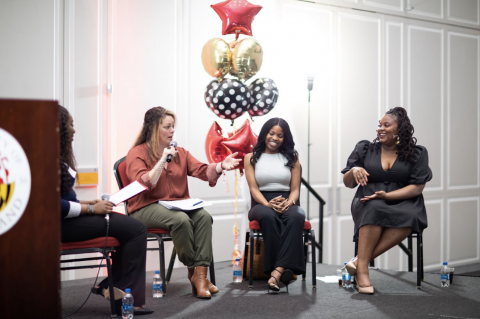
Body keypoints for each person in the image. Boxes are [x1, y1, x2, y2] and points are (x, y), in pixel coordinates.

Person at [125, 106, 241, 299]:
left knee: (203, 216)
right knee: (180, 220)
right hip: (145, 208)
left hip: (176, 205)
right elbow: (146, 183)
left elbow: (202, 170)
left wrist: (221, 166)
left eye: (173, 127)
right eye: (167, 127)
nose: (172, 131)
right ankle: (194, 271)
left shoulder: (181, 152)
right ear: (153, 129)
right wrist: (163, 159)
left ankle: (200, 277)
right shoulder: (137, 153)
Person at [59, 106, 152, 316]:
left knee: (129, 228)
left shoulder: (52, 156)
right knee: (136, 229)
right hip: (60, 226)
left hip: (66, 220)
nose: (74, 130)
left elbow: (62, 199)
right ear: (59, 128)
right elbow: (55, 207)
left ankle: (113, 288)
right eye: (70, 125)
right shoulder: (46, 160)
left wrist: (86, 203)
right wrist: (91, 208)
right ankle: (127, 300)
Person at [341, 107, 432, 294]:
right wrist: (353, 171)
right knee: (374, 208)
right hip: (369, 200)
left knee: (411, 216)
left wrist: (388, 196)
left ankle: (359, 262)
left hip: (404, 201)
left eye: (386, 125)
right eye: (379, 125)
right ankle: (363, 271)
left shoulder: (417, 153)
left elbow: (417, 187)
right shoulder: (365, 149)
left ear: (399, 130)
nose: (380, 129)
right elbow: (348, 183)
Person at [244, 118, 306, 292]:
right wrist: (267, 204)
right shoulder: (251, 158)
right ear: (265, 134)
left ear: (284, 138)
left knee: (297, 215)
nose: (275, 138)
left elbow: (295, 190)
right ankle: (281, 268)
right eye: (271, 133)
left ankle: (276, 272)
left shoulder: (292, 157)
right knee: (268, 216)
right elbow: (254, 189)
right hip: (261, 202)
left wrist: (289, 202)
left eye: (280, 135)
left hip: (287, 200)